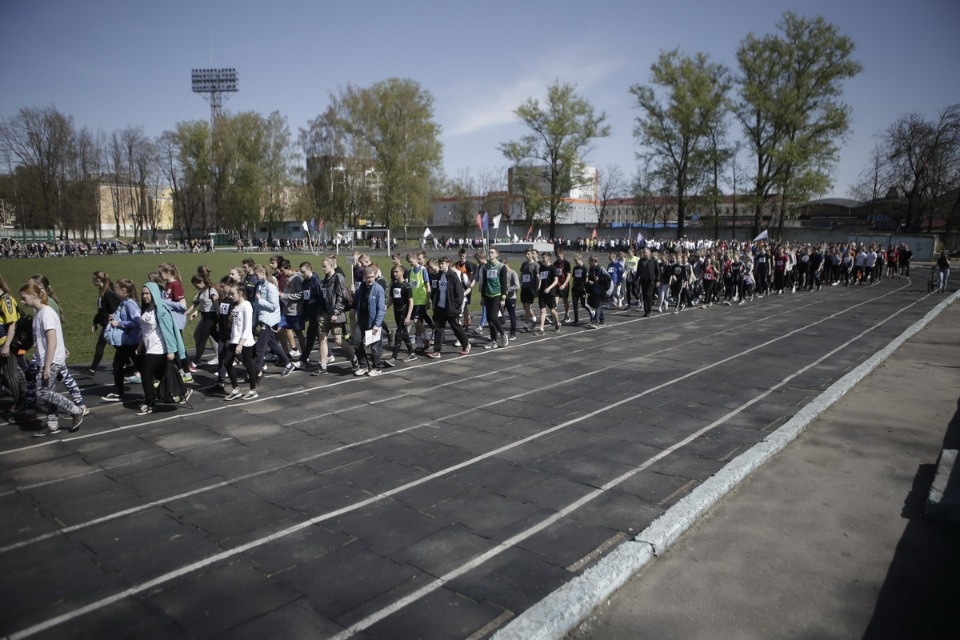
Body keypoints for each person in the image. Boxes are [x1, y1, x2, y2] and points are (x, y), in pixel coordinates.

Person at [19, 281, 86, 436]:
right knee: (48, 391)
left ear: (33, 295)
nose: (22, 302)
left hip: (52, 360)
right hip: (44, 359)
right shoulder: (38, 314)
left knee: (42, 391)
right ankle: (52, 424)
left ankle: (76, 410)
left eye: (24, 298)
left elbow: (52, 340)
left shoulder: (47, 313)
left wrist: (47, 365)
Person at [136, 281, 190, 416]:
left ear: (154, 294)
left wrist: (172, 350)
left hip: (159, 348)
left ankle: (150, 403)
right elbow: (145, 331)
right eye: (143, 294)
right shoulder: (146, 308)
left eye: (147, 293)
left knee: (146, 375)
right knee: (162, 374)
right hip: (149, 347)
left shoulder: (161, 310)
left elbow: (169, 330)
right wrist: (140, 345)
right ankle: (183, 390)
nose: (145, 296)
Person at [312, 256, 358, 375]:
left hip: (336, 313)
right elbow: (323, 298)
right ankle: (323, 365)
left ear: (331, 266)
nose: (323, 269)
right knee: (322, 336)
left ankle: (353, 357)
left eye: (325, 266)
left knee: (338, 340)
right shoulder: (325, 281)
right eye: (322, 266)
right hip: (325, 313)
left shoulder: (338, 278)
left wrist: (336, 312)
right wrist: (320, 313)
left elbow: (341, 297)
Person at [100, 279, 142, 403]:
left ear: (123, 290)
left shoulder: (130, 304)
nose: (114, 292)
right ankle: (118, 391)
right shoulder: (123, 303)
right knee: (121, 365)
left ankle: (166, 384)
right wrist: (114, 317)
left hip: (131, 342)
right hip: (127, 342)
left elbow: (137, 322)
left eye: (116, 290)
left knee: (122, 365)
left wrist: (118, 323)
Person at [252, 264, 296, 377]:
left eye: (256, 274)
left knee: (260, 348)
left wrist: (260, 300)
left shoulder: (271, 287)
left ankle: (256, 372)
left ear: (263, 273)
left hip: (268, 320)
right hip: (262, 318)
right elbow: (257, 306)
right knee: (273, 344)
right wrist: (255, 320)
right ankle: (288, 364)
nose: (255, 277)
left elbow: (273, 306)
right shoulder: (260, 286)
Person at [426, 256, 471, 359]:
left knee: (456, 327)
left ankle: (466, 344)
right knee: (438, 328)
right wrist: (435, 304)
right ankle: (437, 351)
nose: (441, 265)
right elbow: (436, 291)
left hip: (451, 308)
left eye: (443, 263)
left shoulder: (453, 276)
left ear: (448, 264)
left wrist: (456, 306)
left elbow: (459, 293)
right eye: (440, 263)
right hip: (440, 307)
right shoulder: (439, 275)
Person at [222, 281, 259, 400]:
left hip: (245, 342)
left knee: (248, 364)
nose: (231, 296)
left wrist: (241, 344)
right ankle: (236, 389)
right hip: (234, 340)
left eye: (233, 294)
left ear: (240, 293)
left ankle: (253, 390)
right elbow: (234, 326)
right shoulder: (236, 306)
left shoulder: (246, 306)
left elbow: (247, 327)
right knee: (227, 362)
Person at [353, 266, 386, 376]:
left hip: (373, 322)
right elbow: (357, 300)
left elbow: (381, 308)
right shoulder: (361, 287)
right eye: (368, 277)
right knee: (357, 342)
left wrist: (377, 324)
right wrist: (353, 292)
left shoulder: (378, 289)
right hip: (362, 319)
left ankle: (377, 367)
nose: (370, 279)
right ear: (364, 277)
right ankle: (363, 366)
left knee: (374, 347)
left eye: (372, 277)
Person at [185, 272, 220, 372]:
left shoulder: (211, 290)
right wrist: (187, 312)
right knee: (217, 338)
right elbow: (196, 303)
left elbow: (216, 304)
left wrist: (220, 317)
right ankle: (234, 355)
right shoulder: (201, 291)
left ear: (201, 281)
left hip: (211, 317)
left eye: (196, 284)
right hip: (204, 317)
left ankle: (195, 363)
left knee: (202, 339)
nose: (195, 287)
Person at [88, 271, 120, 375]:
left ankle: (92, 369)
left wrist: (112, 321)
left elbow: (114, 309)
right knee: (117, 345)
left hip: (109, 323)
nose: (92, 281)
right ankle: (129, 362)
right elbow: (101, 310)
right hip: (106, 322)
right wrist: (95, 322)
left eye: (93, 279)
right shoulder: (102, 290)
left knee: (100, 346)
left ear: (98, 279)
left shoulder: (108, 293)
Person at [384, 264, 416, 365]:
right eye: (394, 272)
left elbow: (411, 302)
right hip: (396, 313)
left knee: (398, 334)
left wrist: (408, 316)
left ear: (402, 272)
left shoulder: (406, 286)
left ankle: (393, 358)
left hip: (404, 313)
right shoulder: (394, 285)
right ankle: (412, 353)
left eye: (397, 271)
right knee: (404, 333)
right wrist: (384, 308)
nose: (395, 274)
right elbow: (391, 300)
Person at [478, 247, 508, 348]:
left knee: (494, 316)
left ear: (496, 254)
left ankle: (503, 334)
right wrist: (482, 296)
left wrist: (503, 298)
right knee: (490, 320)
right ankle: (493, 340)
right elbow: (484, 282)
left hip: (497, 295)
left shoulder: (501, 267)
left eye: (492, 252)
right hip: (487, 295)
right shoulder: (486, 267)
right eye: (489, 252)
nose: (489, 254)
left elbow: (504, 283)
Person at [535, 252, 561, 335]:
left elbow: (556, 281)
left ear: (549, 258)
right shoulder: (542, 268)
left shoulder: (553, 268)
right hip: (542, 293)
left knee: (552, 310)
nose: (543, 259)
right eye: (542, 257)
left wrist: (549, 288)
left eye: (544, 257)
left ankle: (557, 323)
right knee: (542, 311)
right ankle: (541, 329)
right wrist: (539, 287)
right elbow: (541, 279)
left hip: (550, 292)